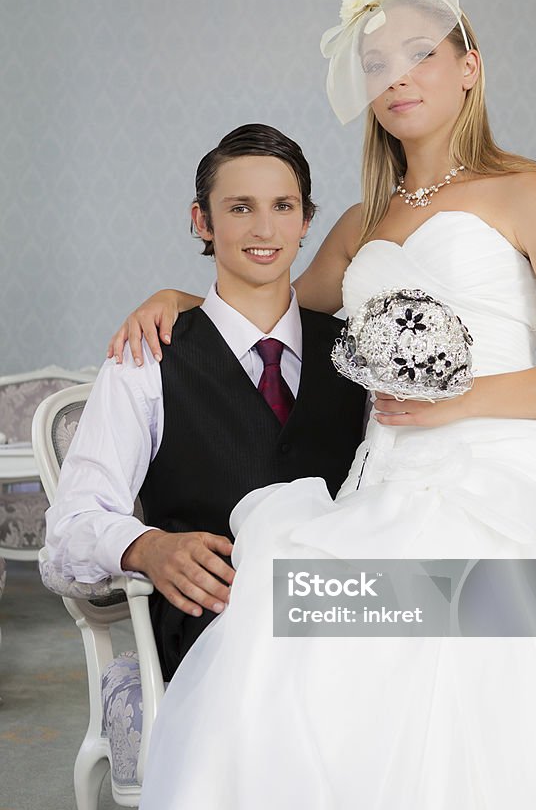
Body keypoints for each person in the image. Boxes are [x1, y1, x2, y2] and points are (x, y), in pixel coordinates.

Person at [118, 0, 536, 810]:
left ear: (469, 65)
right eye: (377, 58)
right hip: (387, 475)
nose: (397, 73)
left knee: (423, 649)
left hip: (492, 470)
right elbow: (272, 296)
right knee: (285, 609)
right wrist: (184, 296)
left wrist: (482, 403)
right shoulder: (359, 225)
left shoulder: (524, 191)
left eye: (421, 51)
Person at [44, 124, 367, 681]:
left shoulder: (358, 354)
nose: (264, 228)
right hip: (217, 628)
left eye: (283, 206)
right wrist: (146, 547)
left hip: (339, 612)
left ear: (306, 221)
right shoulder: (146, 358)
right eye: (240, 208)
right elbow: (68, 530)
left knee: (498, 611)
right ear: (202, 221)